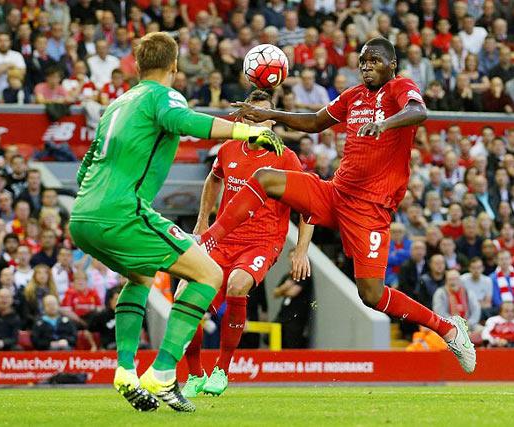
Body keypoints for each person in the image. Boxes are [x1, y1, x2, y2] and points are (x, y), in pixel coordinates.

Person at [199, 37, 476, 374]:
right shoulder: (353, 97)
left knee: (371, 294)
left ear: (392, 65)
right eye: (362, 61)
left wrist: (385, 124)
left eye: (374, 60)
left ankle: (448, 329)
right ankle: (212, 237)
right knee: (265, 177)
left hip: (370, 210)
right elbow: (315, 122)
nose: (366, 66)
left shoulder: (399, 88)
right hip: (335, 194)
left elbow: (420, 111)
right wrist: (267, 113)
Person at [68, 32, 284, 412]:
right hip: (124, 211)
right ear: (174, 65)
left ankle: (123, 369)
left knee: (140, 277)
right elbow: (185, 121)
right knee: (209, 275)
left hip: (83, 214)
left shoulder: (117, 104)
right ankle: (164, 371)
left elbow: (86, 164)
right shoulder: (161, 95)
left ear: (136, 65)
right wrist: (248, 130)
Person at [181, 90, 313, 397]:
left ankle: (222, 370)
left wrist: (301, 249)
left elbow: (309, 205)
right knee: (186, 300)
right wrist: (202, 223)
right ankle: (195, 374)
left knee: (238, 285)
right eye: (255, 116)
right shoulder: (228, 150)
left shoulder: (286, 158)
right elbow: (214, 179)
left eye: (267, 117)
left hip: (262, 241)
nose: (262, 123)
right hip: (223, 239)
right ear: (242, 120)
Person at [433, 269, 481, 334]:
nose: (453, 282)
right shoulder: (440, 293)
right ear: (446, 281)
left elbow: (476, 310)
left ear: (460, 280)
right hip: (449, 327)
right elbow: (439, 313)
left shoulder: (467, 291)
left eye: (455, 279)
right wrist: (456, 324)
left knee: (484, 331)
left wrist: (469, 324)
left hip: (469, 326)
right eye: (450, 279)